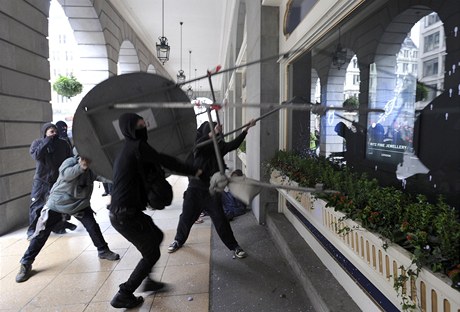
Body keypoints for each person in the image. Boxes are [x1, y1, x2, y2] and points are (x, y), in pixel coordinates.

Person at [108, 113, 200, 309]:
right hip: (125, 215)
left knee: (156, 236)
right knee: (151, 254)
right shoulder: (137, 146)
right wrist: (193, 170)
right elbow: (163, 160)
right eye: (140, 125)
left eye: (144, 123)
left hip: (125, 213)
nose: (144, 127)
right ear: (130, 129)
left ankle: (148, 280)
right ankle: (124, 293)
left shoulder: (128, 148)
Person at [15, 150, 120, 283]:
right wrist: (81, 166)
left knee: (92, 226)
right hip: (57, 204)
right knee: (41, 234)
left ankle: (103, 250)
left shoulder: (93, 168)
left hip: (79, 204)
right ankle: (26, 262)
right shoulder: (69, 162)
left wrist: (119, 174)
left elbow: (104, 177)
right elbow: (66, 175)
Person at [168, 119, 256, 259]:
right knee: (186, 218)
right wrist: (212, 134)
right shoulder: (198, 147)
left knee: (221, 220)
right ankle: (178, 240)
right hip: (194, 191)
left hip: (211, 192)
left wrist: (246, 130)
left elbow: (232, 145)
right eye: (210, 131)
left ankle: (234, 247)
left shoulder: (218, 147)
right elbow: (198, 145)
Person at [27, 122, 72, 239]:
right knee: (36, 205)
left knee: (56, 205)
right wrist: (46, 141)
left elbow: (69, 158)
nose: (55, 133)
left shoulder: (63, 143)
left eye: (55, 131)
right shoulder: (38, 143)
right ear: (45, 132)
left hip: (57, 180)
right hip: (41, 180)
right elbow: (37, 156)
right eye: (51, 131)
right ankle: (32, 229)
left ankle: (57, 226)